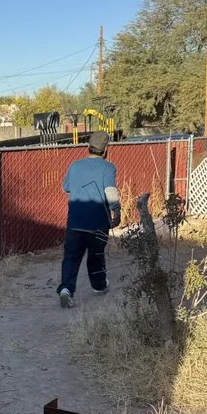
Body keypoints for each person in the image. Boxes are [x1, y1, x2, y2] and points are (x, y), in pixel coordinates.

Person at [57, 130, 121, 308]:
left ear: (88, 147)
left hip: (75, 223)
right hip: (98, 224)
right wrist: (116, 211)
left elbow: (65, 188)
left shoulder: (75, 165)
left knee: (71, 257)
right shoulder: (108, 167)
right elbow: (110, 191)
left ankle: (66, 290)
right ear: (106, 149)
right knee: (96, 255)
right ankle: (99, 286)